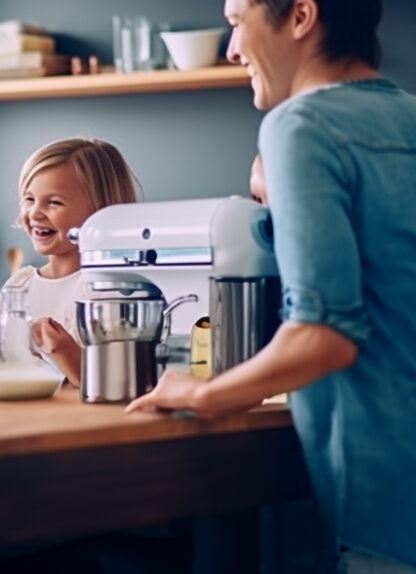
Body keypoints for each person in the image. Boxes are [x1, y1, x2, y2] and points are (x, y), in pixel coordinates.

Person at [127, 1, 416, 571]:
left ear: (302, 16)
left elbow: (324, 335)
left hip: (383, 512)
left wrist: (202, 392)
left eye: (238, 21)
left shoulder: (299, 125)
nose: (233, 49)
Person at [0, 138, 139, 386]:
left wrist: (64, 352)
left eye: (54, 202)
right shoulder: (20, 284)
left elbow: (118, 382)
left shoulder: (109, 292)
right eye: (29, 199)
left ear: (101, 211)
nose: (35, 213)